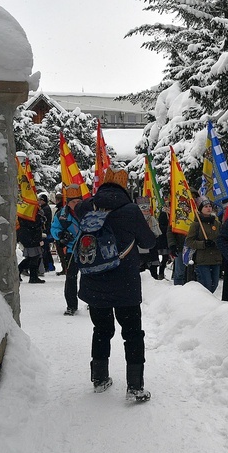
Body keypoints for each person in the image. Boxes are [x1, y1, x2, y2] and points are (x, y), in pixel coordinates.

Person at [75, 167, 157, 402]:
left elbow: (76, 210)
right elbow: (149, 242)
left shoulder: (86, 207)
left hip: (94, 282)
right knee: (132, 333)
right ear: (125, 186)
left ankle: (99, 379)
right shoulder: (131, 210)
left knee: (101, 330)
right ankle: (135, 387)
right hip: (126, 286)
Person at [50, 185, 82, 315]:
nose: (76, 204)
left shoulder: (88, 211)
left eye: (78, 201)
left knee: (90, 277)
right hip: (71, 250)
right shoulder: (61, 215)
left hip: (88, 249)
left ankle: (93, 302)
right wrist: (61, 235)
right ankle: (71, 305)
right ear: (68, 203)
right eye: (73, 202)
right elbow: (54, 229)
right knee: (71, 278)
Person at [185, 199, 222, 293]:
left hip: (215, 258)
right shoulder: (196, 224)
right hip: (202, 259)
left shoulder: (217, 223)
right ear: (201, 209)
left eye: (210, 206)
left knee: (215, 284)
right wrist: (203, 244)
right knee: (206, 285)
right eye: (206, 207)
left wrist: (216, 243)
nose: (208, 208)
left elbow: (222, 238)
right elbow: (189, 241)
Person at [17, 206, 46, 284]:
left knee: (33, 257)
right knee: (33, 257)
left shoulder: (25, 214)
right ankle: (32, 276)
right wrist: (41, 219)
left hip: (29, 237)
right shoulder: (30, 216)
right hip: (31, 238)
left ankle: (30, 275)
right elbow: (34, 224)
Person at [136, 197, 162, 279]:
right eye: (144, 211)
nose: (146, 213)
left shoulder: (152, 219)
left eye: (147, 211)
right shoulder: (136, 220)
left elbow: (157, 233)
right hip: (139, 249)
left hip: (151, 248)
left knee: (152, 271)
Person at [53, 191, 69, 275]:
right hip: (60, 234)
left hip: (62, 235)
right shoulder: (61, 210)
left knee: (63, 253)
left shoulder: (61, 211)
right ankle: (65, 268)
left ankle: (65, 268)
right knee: (62, 253)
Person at [38, 193, 56, 272]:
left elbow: (43, 220)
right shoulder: (45, 208)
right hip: (46, 231)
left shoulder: (45, 209)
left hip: (45, 232)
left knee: (45, 250)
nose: (39, 201)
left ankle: (48, 265)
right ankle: (49, 265)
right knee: (46, 250)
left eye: (40, 200)